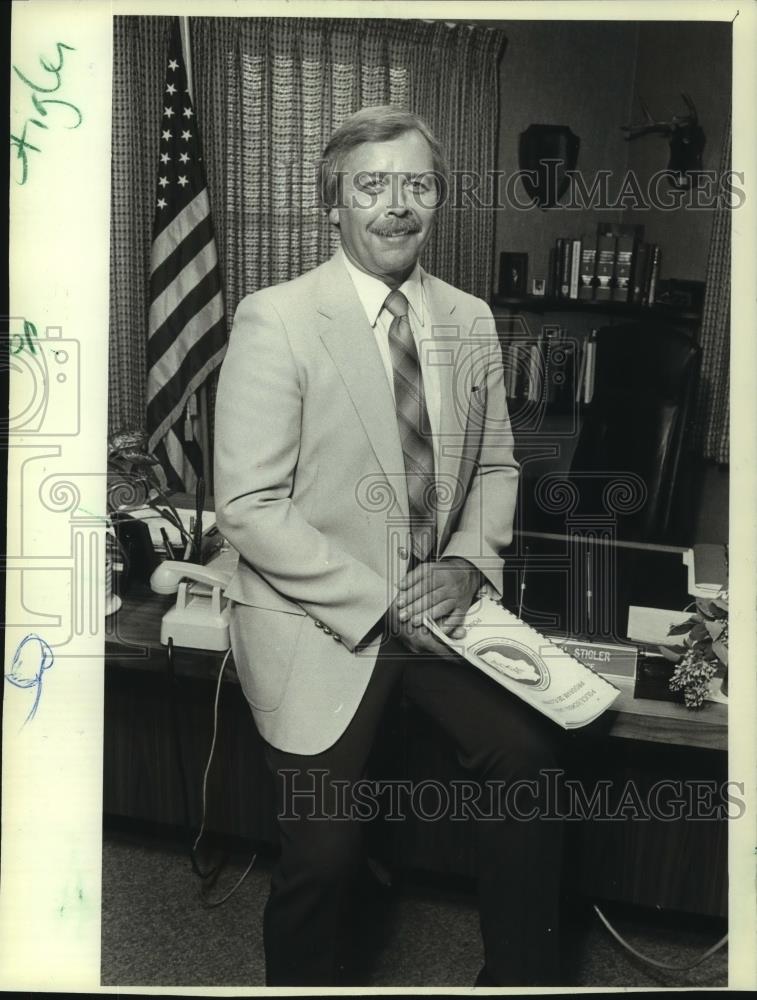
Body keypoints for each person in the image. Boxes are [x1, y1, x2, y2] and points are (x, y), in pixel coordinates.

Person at [214, 105, 563, 987]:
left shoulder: (470, 318)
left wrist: (467, 565)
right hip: (320, 623)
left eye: (416, 184)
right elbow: (249, 507)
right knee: (324, 857)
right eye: (372, 185)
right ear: (332, 204)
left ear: (438, 199)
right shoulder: (277, 319)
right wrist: (381, 605)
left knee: (529, 762)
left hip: (440, 614)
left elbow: (494, 467)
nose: (396, 205)